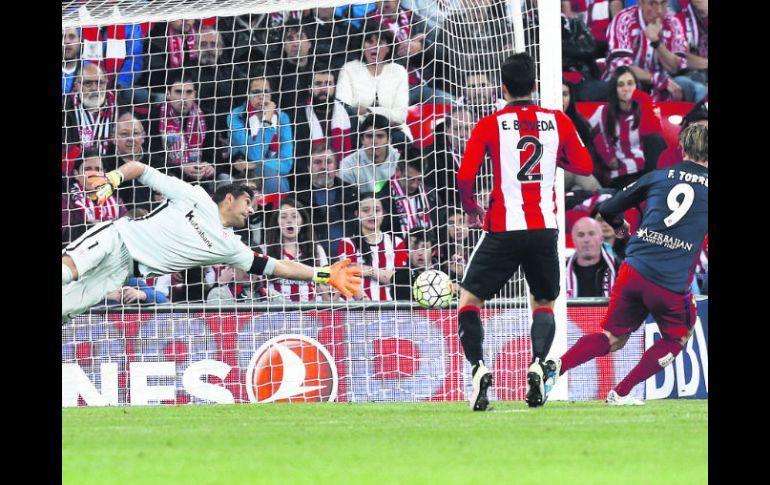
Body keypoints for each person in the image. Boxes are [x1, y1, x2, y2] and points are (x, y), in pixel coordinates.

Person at [454, 53, 593, 410]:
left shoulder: (489, 124)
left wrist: (472, 211)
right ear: (535, 85)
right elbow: (585, 164)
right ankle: (536, 362)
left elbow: (466, 176)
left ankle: (478, 369)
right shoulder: (557, 120)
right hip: (544, 228)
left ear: (502, 87)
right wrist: (554, 159)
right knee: (543, 301)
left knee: (470, 300)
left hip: (503, 227)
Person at [61, 160, 362, 321]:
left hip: (122, 271)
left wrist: (323, 274)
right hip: (117, 238)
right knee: (66, 271)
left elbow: (277, 266)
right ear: (229, 198)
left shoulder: (231, 246)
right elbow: (141, 170)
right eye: (248, 201)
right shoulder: (195, 196)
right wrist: (114, 178)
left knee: (65, 308)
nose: (252, 209)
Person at [543, 124, 708, 405]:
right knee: (679, 336)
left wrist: (619, 226)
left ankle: (557, 366)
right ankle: (621, 392)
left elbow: (607, 208)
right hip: (668, 282)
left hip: (633, 268)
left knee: (612, 337)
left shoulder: (658, 175)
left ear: (682, 147)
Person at [604, 0, 704, 102]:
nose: (659, 10)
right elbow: (622, 67)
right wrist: (656, 79)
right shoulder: (624, 20)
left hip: (662, 84)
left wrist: (656, 42)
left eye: (663, 3)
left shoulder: (673, 23)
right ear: (641, 3)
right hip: (626, 83)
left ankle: (699, 117)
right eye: (653, 3)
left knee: (694, 87)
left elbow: (675, 67)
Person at [589, 66, 667, 189]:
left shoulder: (646, 108)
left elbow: (655, 140)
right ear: (614, 89)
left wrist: (643, 100)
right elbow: (586, 133)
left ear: (636, 86)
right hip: (621, 175)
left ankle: (657, 186)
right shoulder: (603, 112)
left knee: (654, 139)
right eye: (620, 85)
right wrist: (607, 155)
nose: (626, 89)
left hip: (645, 171)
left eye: (630, 84)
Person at [225, 72, 294, 194]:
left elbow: (286, 164)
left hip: (272, 177)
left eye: (266, 92)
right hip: (241, 176)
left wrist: (253, 165)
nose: (262, 96)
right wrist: (267, 120)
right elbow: (255, 154)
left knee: (276, 179)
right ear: (248, 94)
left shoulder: (282, 118)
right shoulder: (235, 116)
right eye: (256, 92)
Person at [147, 69, 216, 186]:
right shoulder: (154, 116)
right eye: (178, 92)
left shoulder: (207, 116)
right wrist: (180, 167)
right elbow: (152, 157)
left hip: (201, 180)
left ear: (195, 94)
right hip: (167, 179)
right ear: (168, 94)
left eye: (189, 92)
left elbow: (214, 155)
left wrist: (211, 166)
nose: (184, 98)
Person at [293, 68, 358, 191]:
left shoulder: (349, 114)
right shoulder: (297, 116)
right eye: (318, 84)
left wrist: (337, 174)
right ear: (309, 87)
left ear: (335, 87)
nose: (323, 89)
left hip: (344, 180)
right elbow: (297, 158)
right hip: (308, 182)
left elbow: (356, 151)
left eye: (328, 84)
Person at [335, 21, 409, 125]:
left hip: (392, 128)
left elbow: (400, 116)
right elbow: (344, 110)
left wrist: (368, 110)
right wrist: (385, 113)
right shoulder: (349, 69)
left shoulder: (399, 71)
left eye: (380, 42)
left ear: (388, 47)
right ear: (362, 46)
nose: (375, 47)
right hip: (358, 128)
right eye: (370, 42)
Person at [338, 194, 408, 302]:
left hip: (390, 308)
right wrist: (366, 302)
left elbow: (399, 279)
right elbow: (346, 276)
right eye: (366, 210)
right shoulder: (348, 243)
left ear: (383, 213)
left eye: (377, 210)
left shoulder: (397, 243)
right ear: (357, 214)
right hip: (358, 308)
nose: (372, 214)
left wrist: (366, 270)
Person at [261, 198, 334, 302]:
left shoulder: (316, 249)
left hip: (309, 312)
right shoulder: (265, 250)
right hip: (276, 313)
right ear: (276, 222)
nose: (289, 221)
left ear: (303, 221)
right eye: (283, 217)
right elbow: (258, 284)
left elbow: (326, 279)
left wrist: (323, 285)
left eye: (294, 216)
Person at [295, 143, 358, 259]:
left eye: (328, 162)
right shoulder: (297, 199)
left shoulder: (352, 194)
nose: (323, 167)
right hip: (314, 264)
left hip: (350, 262)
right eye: (318, 162)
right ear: (309, 168)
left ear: (336, 167)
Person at [62, 151, 127, 245]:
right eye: (87, 169)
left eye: (98, 169)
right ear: (76, 174)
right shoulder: (65, 200)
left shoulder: (117, 202)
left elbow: (126, 230)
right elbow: (65, 233)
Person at [62, 63, 118, 157]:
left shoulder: (121, 107)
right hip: (74, 167)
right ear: (77, 86)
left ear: (106, 83)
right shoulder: (64, 108)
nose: (94, 88)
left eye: (100, 83)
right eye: (88, 83)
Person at [339, 114, 401, 195]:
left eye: (380, 136)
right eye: (369, 136)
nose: (374, 141)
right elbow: (349, 200)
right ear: (362, 140)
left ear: (389, 140)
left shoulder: (399, 160)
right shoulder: (348, 165)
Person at [565, 217, 621, 297]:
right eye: (581, 235)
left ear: (601, 238)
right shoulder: (562, 271)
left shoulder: (620, 269)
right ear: (574, 240)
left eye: (591, 234)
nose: (586, 240)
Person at [562, 79, 602, 191]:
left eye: (565, 94)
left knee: (578, 189)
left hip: (570, 178)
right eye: (557, 94)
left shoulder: (579, 123)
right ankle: (606, 200)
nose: (561, 99)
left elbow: (589, 156)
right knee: (578, 172)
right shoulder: (542, 122)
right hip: (547, 179)